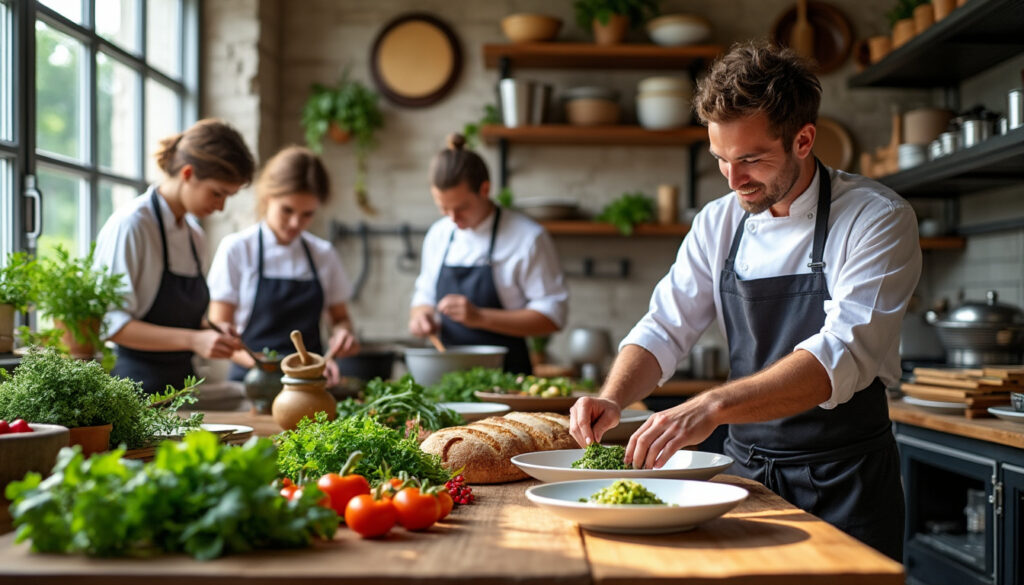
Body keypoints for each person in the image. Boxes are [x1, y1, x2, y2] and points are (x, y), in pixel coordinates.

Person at [568, 42, 921, 561]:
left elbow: (839, 356)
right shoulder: (719, 221)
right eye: (721, 160)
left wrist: (713, 405)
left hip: (844, 482)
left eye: (752, 159)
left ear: (804, 139)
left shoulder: (876, 218)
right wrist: (615, 397)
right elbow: (666, 325)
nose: (734, 181)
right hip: (745, 479)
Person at [95, 118, 255, 394]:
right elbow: (111, 325)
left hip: (182, 390)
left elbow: (180, 320)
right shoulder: (132, 225)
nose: (220, 207)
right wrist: (195, 340)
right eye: (217, 193)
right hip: (134, 391)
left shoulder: (194, 235)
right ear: (188, 173)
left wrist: (214, 331)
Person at [409, 133, 569, 374]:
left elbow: (553, 317)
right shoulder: (439, 234)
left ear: (485, 189)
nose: (453, 219)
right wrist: (421, 316)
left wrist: (480, 317)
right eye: (443, 208)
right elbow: (424, 296)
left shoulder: (527, 238)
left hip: (507, 379)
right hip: (448, 377)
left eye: (461, 208)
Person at [207, 146, 359, 385]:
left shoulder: (323, 254)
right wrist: (272, 368)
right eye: (287, 210)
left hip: (310, 384)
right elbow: (219, 331)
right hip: (251, 384)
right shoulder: (237, 249)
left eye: (307, 214)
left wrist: (343, 334)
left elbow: (340, 318)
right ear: (268, 198)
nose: (295, 223)